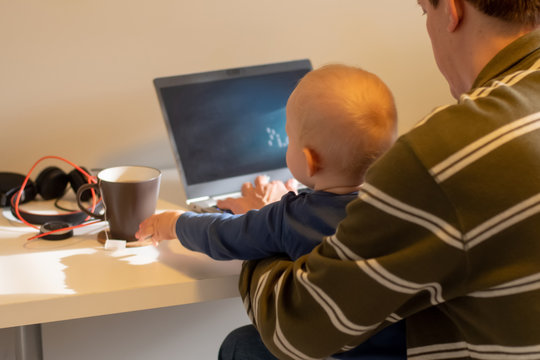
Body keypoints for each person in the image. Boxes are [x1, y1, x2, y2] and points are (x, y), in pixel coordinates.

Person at [227, 0, 540, 359]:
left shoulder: (451, 149)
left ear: (452, 11)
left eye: (425, 11)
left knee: (244, 346)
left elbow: (296, 331)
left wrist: (266, 227)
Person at [136, 64, 402, 358]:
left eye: (288, 137)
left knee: (237, 344)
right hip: (395, 350)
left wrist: (175, 222)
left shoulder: (292, 217)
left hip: (330, 352)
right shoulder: (402, 208)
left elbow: (222, 235)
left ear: (309, 162)